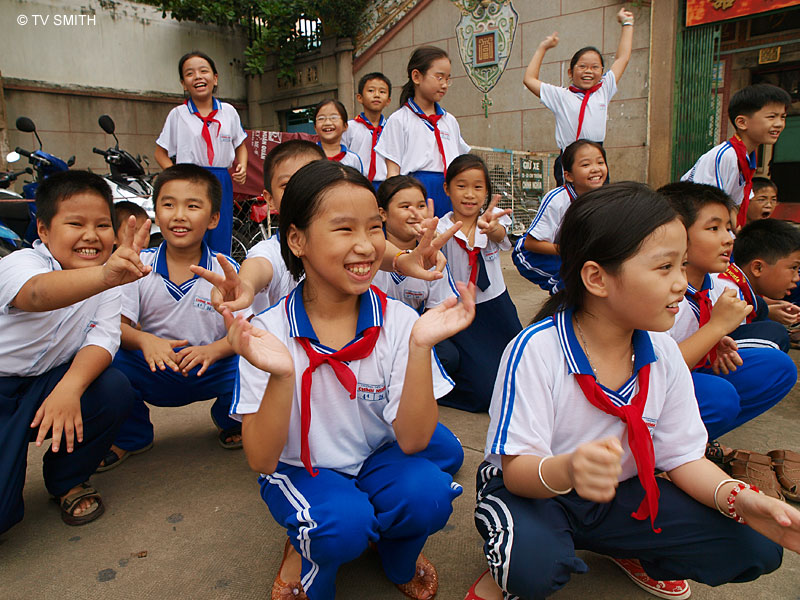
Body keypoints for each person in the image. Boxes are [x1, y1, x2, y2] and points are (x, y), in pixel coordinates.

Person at [466, 182, 799, 600]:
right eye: (665, 267)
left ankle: (631, 549)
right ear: (597, 278)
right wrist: (570, 469)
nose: (680, 283)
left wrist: (738, 499)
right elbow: (518, 472)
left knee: (755, 544)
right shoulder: (536, 350)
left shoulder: (662, 351)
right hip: (537, 490)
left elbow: (683, 457)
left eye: (682, 265)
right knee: (531, 569)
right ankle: (511, 562)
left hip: (618, 491)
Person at [226, 160, 475, 600]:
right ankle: (310, 555)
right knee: (339, 527)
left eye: (374, 227)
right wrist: (282, 375)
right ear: (297, 239)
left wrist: (420, 348)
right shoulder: (267, 333)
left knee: (429, 493)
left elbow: (414, 441)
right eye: (344, 229)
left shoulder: (399, 321)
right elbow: (263, 460)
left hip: (376, 457)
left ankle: (397, 556)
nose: (365, 245)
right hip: (302, 469)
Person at [0, 171, 151, 533]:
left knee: (113, 387)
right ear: (43, 230)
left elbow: (103, 339)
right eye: (75, 223)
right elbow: (36, 294)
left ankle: (67, 480)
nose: (91, 235)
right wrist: (105, 276)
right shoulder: (21, 263)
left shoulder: (109, 281)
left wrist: (70, 388)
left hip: (46, 383)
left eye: (102, 225)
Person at [192, 141, 462, 318]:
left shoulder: (395, 321)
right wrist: (245, 285)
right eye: (288, 185)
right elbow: (258, 268)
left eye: (313, 180)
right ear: (270, 199)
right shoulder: (269, 252)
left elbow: (379, 250)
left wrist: (404, 260)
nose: (303, 192)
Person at [97, 164, 243, 472]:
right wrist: (145, 341)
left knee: (254, 361)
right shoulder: (138, 266)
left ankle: (230, 420)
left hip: (210, 366)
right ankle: (133, 436)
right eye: (168, 204)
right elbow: (115, 327)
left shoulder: (226, 270)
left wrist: (213, 350)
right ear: (156, 214)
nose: (179, 215)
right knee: (105, 360)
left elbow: (246, 330)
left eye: (192, 206)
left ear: (214, 218)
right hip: (154, 367)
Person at [659, 182, 797, 499]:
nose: (729, 238)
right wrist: (715, 329)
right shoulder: (660, 288)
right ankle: (658, 457)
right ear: (675, 233)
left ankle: (695, 443)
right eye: (714, 228)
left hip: (683, 375)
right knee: (720, 397)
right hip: (647, 390)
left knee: (776, 367)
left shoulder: (715, 283)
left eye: (729, 228)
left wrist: (716, 338)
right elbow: (653, 372)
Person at [436, 154, 522, 412]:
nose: (469, 194)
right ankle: (437, 389)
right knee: (485, 394)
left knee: (519, 376)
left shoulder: (493, 220)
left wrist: (491, 228)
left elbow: (500, 235)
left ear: (486, 192)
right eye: (461, 186)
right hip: (462, 313)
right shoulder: (441, 230)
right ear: (447, 189)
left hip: (497, 308)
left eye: (478, 187)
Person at [523, 7, 633, 186]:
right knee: (571, 201)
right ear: (571, 72)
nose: (588, 71)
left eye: (595, 67)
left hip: (596, 157)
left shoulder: (604, 89)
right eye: (582, 66)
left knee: (599, 201)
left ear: (602, 72)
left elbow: (623, 58)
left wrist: (627, 23)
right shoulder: (560, 96)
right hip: (570, 158)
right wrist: (543, 47)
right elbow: (529, 79)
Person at [154, 50, 248, 255]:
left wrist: (242, 165)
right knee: (192, 231)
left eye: (203, 71)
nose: (197, 76)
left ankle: (218, 272)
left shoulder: (229, 112)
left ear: (215, 78)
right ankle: (189, 271)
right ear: (183, 83)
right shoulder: (178, 115)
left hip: (221, 179)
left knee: (220, 230)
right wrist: (176, 175)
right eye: (190, 73)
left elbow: (240, 143)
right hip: (190, 180)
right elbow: (160, 152)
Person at [376, 46, 470, 218]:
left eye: (447, 79)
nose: (444, 84)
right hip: (415, 194)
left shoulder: (449, 121)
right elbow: (393, 172)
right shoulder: (399, 120)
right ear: (416, 77)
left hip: (449, 192)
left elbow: (459, 164)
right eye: (439, 77)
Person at [681, 84, 791, 229]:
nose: (779, 124)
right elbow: (707, 207)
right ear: (742, 122)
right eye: (772, 117)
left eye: (782, 117)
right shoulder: (726, 156)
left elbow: (732, 204)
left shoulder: (746, 157)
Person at [512, 140, 608, 292]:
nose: (596, 169)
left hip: (572, 252)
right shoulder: (557, 200)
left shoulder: (604, 198)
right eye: (585, 165)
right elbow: (530, 244)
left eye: (600, 162)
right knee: (574, 282)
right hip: (534, 256)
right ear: (569, 176)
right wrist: (571, 251)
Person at [373, 175, 459, 313]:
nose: (415, 213)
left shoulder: (432, 258)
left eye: (421, 206)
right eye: (405, 207)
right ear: (383, 214)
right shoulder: (370, 253)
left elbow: (438, 311)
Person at [714, 218, 800, 349]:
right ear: (757, 268)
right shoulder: (729, 294)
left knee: (761, 308)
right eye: (793, 268)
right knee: (775, 333)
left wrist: (769, 310)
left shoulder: (740, 287)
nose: (797, 278)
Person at [342, 72, 393, 187]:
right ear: (359, 98)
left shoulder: (391, 129)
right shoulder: (349, 128)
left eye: (382, 92)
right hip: (357, 183)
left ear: (388, 101)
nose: (377, 95)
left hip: (385, 184)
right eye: (371, 91)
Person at [314, 99, 364, 173]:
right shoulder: (309, 156)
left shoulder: (353, 160)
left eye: (334, 118)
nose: (327, 123)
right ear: (315, 127)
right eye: (321, 118)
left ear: (345, 126)